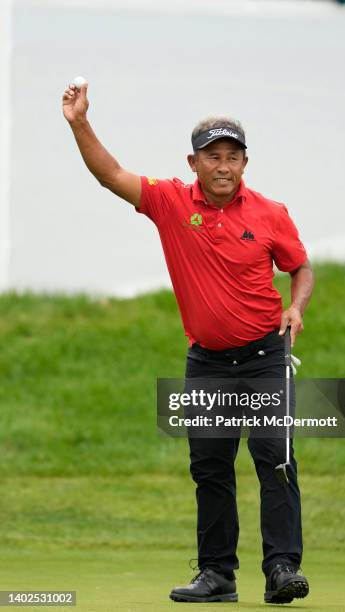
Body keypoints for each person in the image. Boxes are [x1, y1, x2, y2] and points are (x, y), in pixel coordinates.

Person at [62, 81, 315, 605]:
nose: (223, 166)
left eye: (232, 156)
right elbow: (109, 174)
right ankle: (217, 575)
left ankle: (282, 569)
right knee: (211, 467)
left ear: (245, 162)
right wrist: (79, 122)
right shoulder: (172, 202)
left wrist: (296, 307)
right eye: (212, 156)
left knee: (276, 458)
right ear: (193, 161)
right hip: (207, 362)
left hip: (266, 356)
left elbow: (300, 267)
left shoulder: (271, 212)